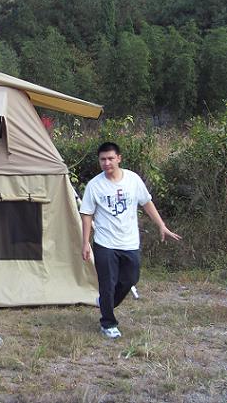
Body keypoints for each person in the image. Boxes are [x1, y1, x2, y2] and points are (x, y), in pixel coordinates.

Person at [80, 142, 181, 339]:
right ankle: (108, 323)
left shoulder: (133, 180)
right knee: (107, 284)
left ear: (119, 158)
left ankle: (105, 303)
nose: (107, 163)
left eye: (110, 158)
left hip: (129, 242)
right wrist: (85, 242)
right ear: (99, 161)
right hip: (105, 243)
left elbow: (146, 202)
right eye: (103, 159)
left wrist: (161, 225)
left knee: (130, 279)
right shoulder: (94, 185)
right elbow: (87, 214)